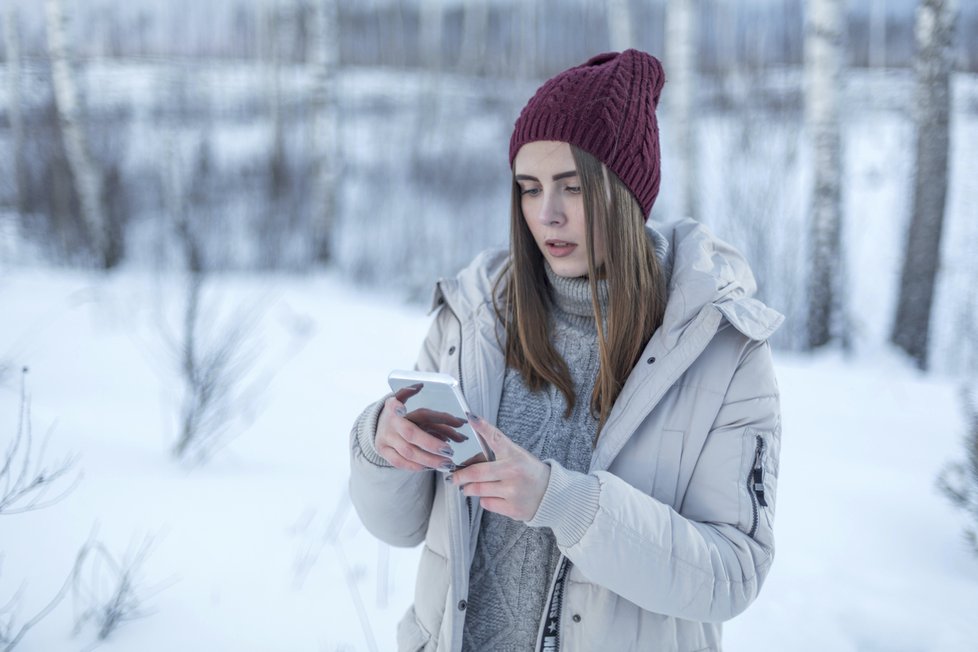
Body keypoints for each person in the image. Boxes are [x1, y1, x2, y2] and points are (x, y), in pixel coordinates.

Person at [349, 49, 783, 652]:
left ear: (625, 193)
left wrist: (565, 503)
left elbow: (734, 572)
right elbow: (401, 527)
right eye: (529, 189)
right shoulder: (473, 317)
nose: (546, 215)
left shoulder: (719, 350)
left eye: (572, 188)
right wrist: (382, 448)